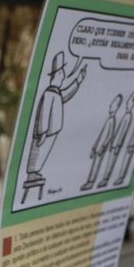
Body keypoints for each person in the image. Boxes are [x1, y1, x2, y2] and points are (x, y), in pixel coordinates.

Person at [25, 51, 86, 182]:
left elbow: (66, 94)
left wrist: (78, 81)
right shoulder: (49, 93)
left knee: (44, 154)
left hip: (52, 131)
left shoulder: (57, 93)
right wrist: (42, 132)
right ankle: (31, 174)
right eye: (61, 74)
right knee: (37, 153)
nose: (63, 77)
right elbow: (44, 113)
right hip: (45, 133)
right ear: (56, 75)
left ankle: (36, 172)